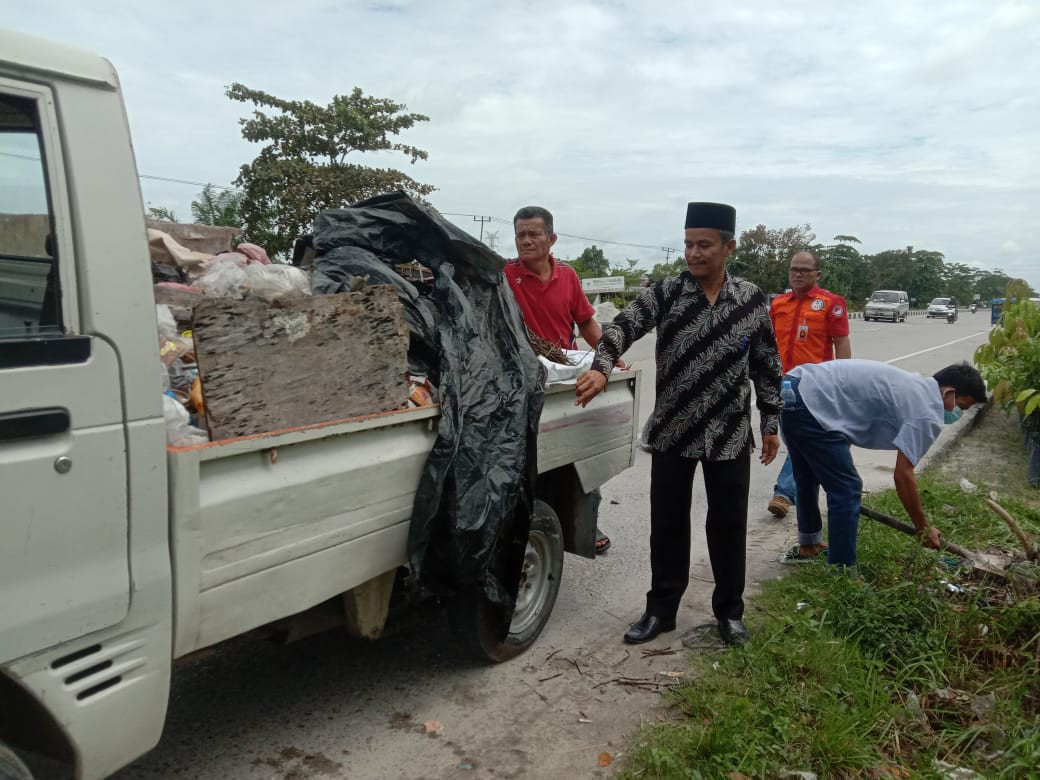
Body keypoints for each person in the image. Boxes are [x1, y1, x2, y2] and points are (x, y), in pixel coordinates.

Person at [575, 202, 782, 647]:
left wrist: (769, 420)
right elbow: (620, 329)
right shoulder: (667, 293)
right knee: (667, 525)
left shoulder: (750, 300)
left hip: (728, 434)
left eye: (704, 245)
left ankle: (729, 614)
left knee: (727, 526)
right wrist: (601, 367)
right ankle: (661, 611)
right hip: (674, 429)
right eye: (688, 243)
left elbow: (766, 364)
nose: (693, 253)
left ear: (729, 246)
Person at [780, 360, 985, 569]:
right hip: (811, 400)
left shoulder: (916, 387)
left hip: (795, 386)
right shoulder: (927, 412)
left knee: (807, 475)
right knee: (847, 489)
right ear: (948, 392)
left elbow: (850, 410)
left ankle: (809, 546)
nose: (957, 413)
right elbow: (903, 475)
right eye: (960, 406)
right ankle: (841, 571)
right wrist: (923, 526)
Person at [505, 205, 616, 554]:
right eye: (521, 234)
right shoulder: (506, 275)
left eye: (533, 234)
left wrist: (610, 357)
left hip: (564, 379)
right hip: (522, 379)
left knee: (578, 454)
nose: (526, 240)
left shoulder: (567, 276)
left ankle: (586, 523)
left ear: (551, 239)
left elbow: (585, 323)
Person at [767, 251, 851, 519]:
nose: (798, 274)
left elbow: (841, 342)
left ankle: (784, 492)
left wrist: (842, 379)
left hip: (815, 386)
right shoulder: (779, 303)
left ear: (817, 274)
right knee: (796, 441)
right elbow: (767, 342)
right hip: (783, 383)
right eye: (794, 269)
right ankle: (803, 491)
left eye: (804, 270)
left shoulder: (830, 303)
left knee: (801, 439)